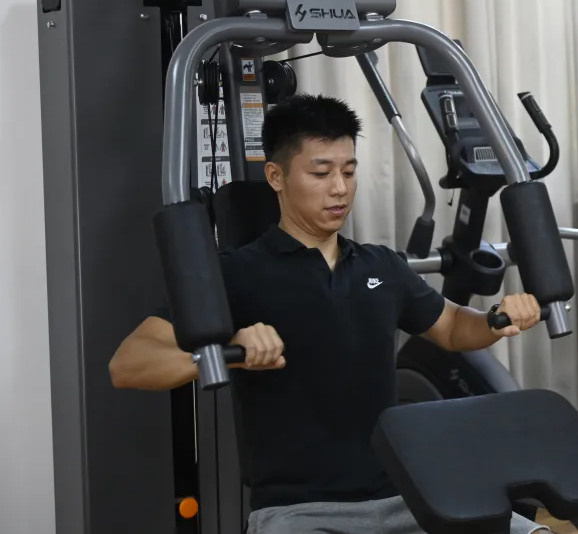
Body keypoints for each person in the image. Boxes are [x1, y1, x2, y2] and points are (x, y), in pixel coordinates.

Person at [108, 94, 551, 534]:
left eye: (349, 172)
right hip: (301, 512)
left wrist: (496, 319)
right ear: (276, 176)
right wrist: (227, 352)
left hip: (407, 498)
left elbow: (452, 327)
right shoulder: (235, 273)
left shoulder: (382, 265)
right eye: (321, 173)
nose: (340, 188)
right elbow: (128, 364)